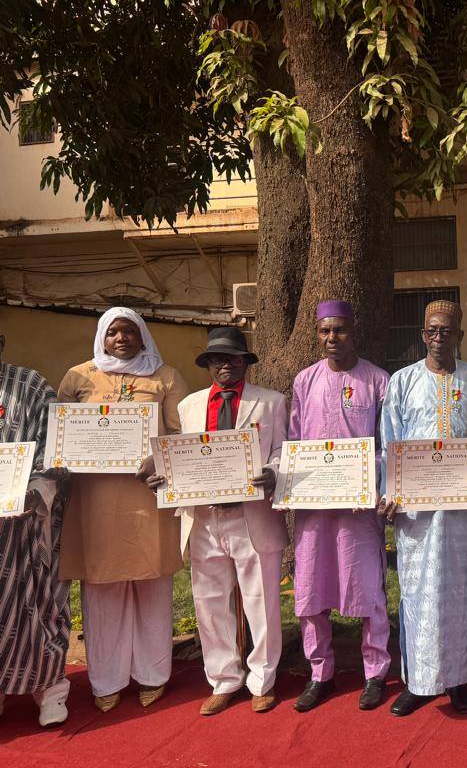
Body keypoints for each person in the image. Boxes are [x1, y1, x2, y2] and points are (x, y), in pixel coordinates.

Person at [144, 327, 288, 715]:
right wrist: (164, 475)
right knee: (209, 602)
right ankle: (223, 679)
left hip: (251, 515)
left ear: (245, 362)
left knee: (261, 602)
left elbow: (281, 451)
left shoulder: (271, 402)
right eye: (218, 359)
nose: (226, 365)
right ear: (208, 363)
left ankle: (262, 680)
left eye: (234, 358)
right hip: (204, 517)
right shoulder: (189, 406)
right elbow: (182, 455)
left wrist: (273, 472)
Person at [57, 307, 188, 712]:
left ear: (143, 335)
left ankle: (153, 675)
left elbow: (182, 433)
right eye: (113, 332)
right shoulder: (78, 376)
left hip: (148, 500)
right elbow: (59, 433)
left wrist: (159, 457)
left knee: (152, 588)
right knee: (102, 591)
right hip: (94, 503)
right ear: (102, 336)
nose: (121, 338)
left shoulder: (165, 376)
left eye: (129, 331)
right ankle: (106, 680)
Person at [377, 300, 467, 717]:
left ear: (459, 335)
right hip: (417, 515)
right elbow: (389, 441)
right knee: (419, 593)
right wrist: (389, 492)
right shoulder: (403, 381)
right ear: (423, 335)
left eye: (447, 330)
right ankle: (419, 681)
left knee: (463, 592)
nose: (439, 337)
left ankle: (461, 679)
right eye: (432, 330)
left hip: (464, 511)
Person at [288, 300, 391, 712]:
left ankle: (375, 672)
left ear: (354, 331)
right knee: (311, 589)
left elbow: (387, 443)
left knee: (367, 588)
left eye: (340, 330)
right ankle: (320, 672)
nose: (332, 338)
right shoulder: (305, 380)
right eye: (325, 331)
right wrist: (287, 482)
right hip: (314, 510)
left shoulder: (377, 380)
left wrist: (370, 481)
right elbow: (293, 441)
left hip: (359, 510)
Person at [0, 334, 70, 727]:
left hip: (26, 523)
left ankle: (52, 690)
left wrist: (34, 491)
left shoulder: (31, 386)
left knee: (40, 605)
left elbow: (55, 448)